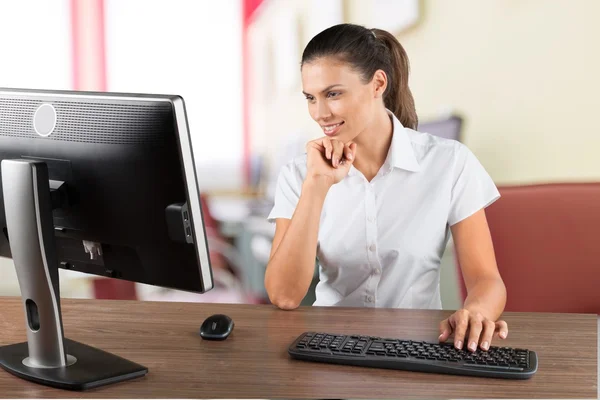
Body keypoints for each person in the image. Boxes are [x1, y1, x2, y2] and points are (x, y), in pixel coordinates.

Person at [264, 23, 508, 353]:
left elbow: (486, 280)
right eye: (311, 98)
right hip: (329, 350)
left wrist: (475, 313)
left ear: (378, 83)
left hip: (420, 347)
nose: (320, 114)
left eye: (333, 94)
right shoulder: (299, 175)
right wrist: (316, 187)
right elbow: (284, 295)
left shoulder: (449, 162)